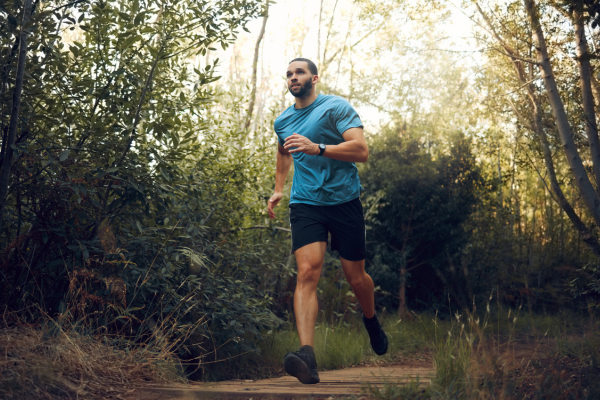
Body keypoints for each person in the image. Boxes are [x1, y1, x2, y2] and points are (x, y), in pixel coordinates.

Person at [268, 58, 388, 385]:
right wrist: (279, 188)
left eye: (300, 72)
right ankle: (307, 355)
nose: (293, 77)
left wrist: (318, 147)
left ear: (314, 78)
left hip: (344, 201)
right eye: (289, 72)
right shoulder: (283, 120)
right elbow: (283, 151)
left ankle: (371, 319)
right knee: (307, 271)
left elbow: (361, 150)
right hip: (307, 203)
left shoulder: (334, 107)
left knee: (356, 276)